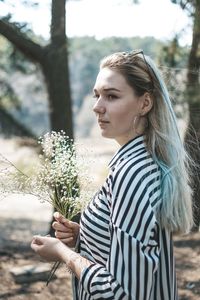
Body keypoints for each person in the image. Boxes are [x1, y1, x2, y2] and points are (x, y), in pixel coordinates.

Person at [31, 50, 193, 299]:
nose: (97, 107)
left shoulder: (132, 174)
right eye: (97, 95)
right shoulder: (142, 163)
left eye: (111, 96)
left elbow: (121, 292)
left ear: (145, 103)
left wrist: (63, 253)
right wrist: (83, 236)